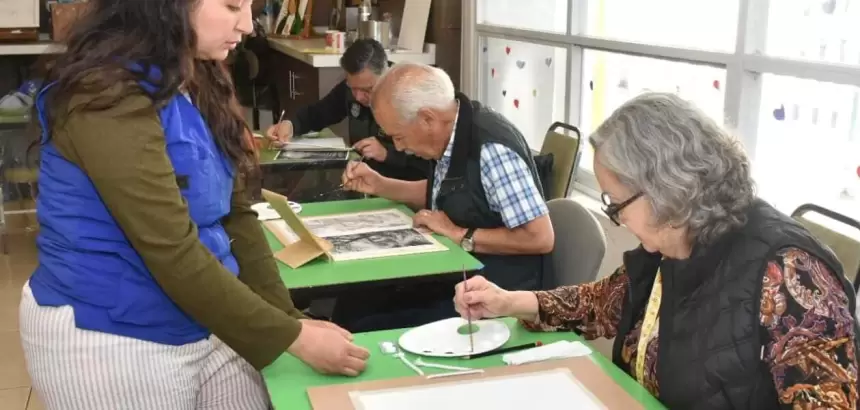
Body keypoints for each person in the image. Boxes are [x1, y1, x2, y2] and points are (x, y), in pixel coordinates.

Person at [19, 1, 368, 409]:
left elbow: (236, 215)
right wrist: (293, 337)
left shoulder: (196, 77)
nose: (248, 25)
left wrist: (289, 318)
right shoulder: (104, 94)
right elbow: (170, 249)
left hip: (206, 315)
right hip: (112, 332)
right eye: (233, 5)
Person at [453, 92, 860, 409]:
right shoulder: (674, 237)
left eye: (616, 203)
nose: (616, 217)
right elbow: (606, 302)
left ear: (666, 186)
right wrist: (509, 301)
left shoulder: (789, 273)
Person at [336, 62, 554, 332]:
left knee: (365, 326)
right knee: (353, 303)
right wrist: (381, 185)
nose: (400, 148)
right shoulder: (453, 129)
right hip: (457, 277)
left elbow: (540, 238)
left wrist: (460, 234)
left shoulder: (491, 148)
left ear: (427, 118)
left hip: (492, 297)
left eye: (399, 137)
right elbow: (451, 192)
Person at [265, 38, 430, 181]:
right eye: (353, 88)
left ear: (385, 73)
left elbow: (430, 162)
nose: (358, 97)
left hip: (401, 186)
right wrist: (290, 125)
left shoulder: (410, 96)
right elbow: (318, 113)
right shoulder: (350, 90)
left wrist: (388, 154)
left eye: (367, 90)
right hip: (360, 178)